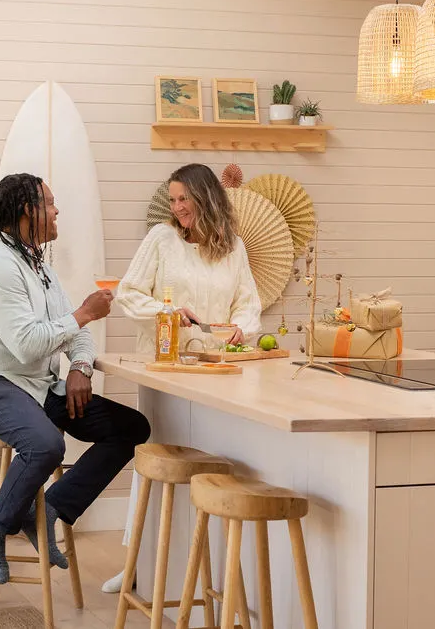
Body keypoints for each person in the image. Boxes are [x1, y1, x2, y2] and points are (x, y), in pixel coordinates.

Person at [0, 173, 151, 585]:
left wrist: (80, 367)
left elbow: (77, 334)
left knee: (131, 428)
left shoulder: (38, 264)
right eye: (51, 203)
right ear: (28, 210)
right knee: (45, 443)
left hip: (37, 386)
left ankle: (49, 509)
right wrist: (84, 313)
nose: (58, 211)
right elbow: (26, 344)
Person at [101, 162, 263, 593]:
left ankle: (189, 569)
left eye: (183, 200)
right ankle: (138, 560)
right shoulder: (161, 239)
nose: (177, 209)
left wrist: (240, 329)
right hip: (166, 366)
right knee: (156, 459)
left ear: (205, 198)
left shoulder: (234, 248)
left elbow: (249, 304)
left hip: (218, 369)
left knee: (211, 460)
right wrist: (168, 313)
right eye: (172, 201)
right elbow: (129, 293)